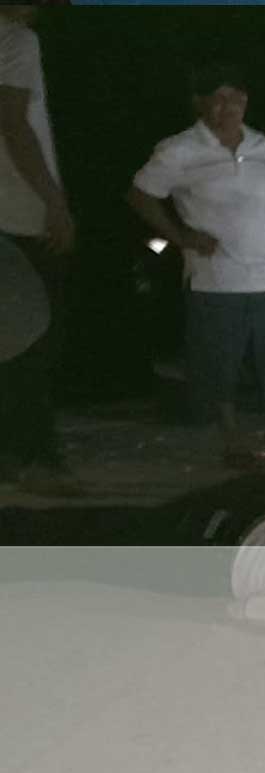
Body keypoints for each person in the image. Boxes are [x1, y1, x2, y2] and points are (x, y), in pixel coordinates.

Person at [127, 62, 265, 469]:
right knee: (219, 364)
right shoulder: (178, 150)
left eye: (235, 98)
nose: (227, 107)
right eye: (217, 98)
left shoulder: (264, 147)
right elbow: (140, 195)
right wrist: (182, 237)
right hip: (213, 280)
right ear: (199, 103)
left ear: (245, 101)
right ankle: (233, 443)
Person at [0, 5, 79, 495]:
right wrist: (54, 203)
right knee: (33, 337)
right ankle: (33, 457)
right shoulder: (16, 41)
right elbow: (13, 122)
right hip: (15, 215)